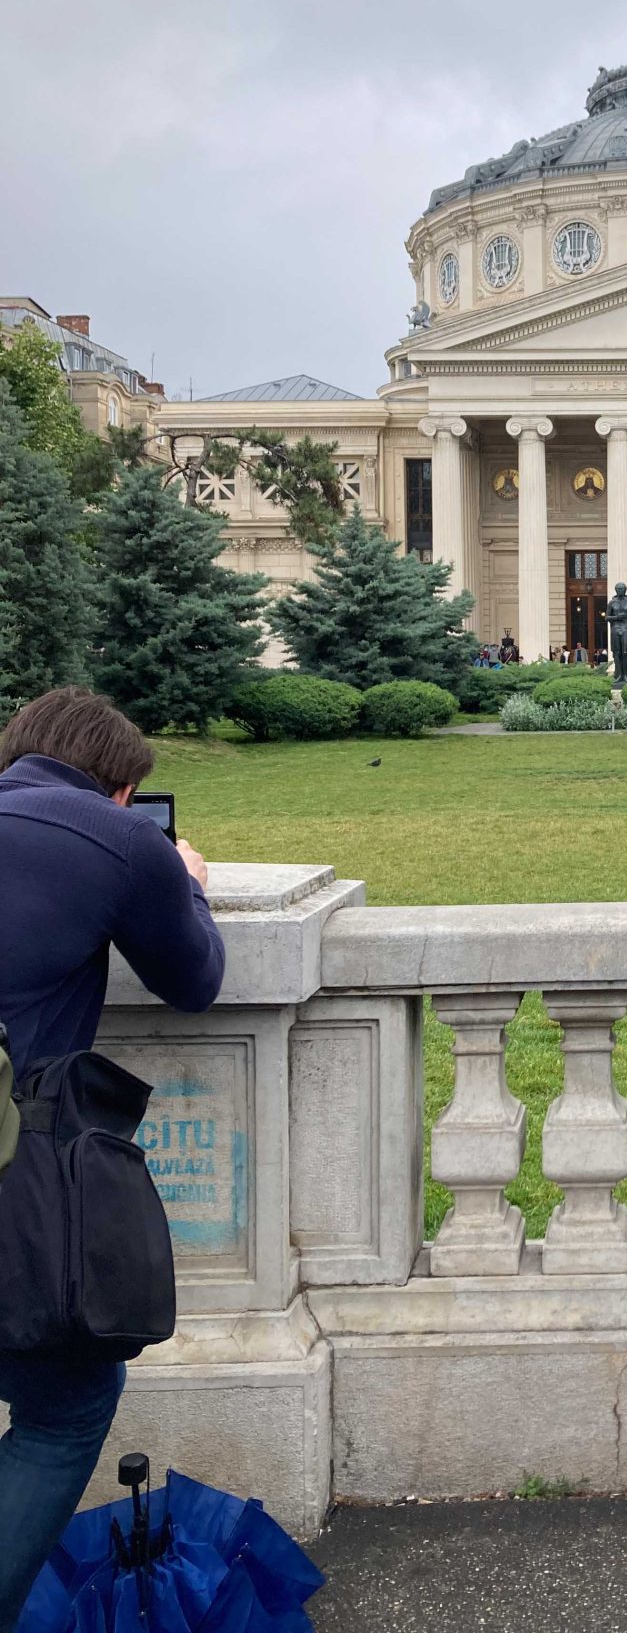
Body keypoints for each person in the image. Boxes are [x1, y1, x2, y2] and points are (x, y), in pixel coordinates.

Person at [0, 687, 227, 1627]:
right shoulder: (119, 836)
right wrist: (186, 879)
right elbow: (194, 979)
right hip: (16, 1170)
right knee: (65, 1408)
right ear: (122, 789)